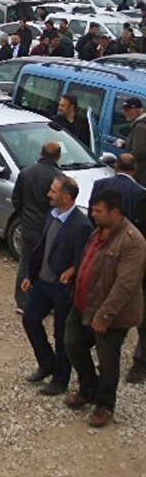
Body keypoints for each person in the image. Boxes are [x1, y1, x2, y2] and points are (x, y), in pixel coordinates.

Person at [62, 189, 146, 427]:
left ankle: (105, 405)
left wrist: (105, 315)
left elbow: (125, 285)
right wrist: (74, 272)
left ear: (115, 212)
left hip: (111, 316)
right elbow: (88, 261)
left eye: (98, 211)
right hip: (82, 305)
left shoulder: (133, 241)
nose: (93, 214)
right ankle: (88, 389)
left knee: (108, 359)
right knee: (72, 344)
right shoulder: (97, 232)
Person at [21, 175, 93, 396]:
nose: (48, 194)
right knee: (30, 319)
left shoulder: (81, 226)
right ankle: (47, 363)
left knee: (61, 333)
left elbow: (83, 260)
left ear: (66, 197)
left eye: (53, 191)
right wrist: (31, 276)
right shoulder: (52, 215)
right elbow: (43, 248)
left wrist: (71, 271)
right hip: (43, 282)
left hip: (62, 289)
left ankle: (61, 379)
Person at [89, 153, 146, 384]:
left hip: (102, 258)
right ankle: (139, 365)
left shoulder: (100, 185)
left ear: (115, 168)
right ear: (134, 170)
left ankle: (98, 354)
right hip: (132, 261)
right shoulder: (141, 194)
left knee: (97, 302)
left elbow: (93, 220)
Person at [11, 142, 63, 312]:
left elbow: (16, 198)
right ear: (58, 157)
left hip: (28, 224)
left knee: (26, 262)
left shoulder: (26, 172)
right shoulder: (58, 178)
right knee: (47, 265)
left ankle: (22, 302)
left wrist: (24, 215)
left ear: (41, 153)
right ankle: (43, 303)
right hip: (48, 227)